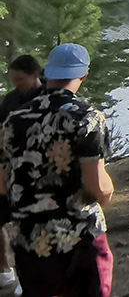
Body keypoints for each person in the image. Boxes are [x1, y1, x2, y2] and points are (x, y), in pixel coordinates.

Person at [0, 44, 114, 297]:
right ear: (83, 75)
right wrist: (107, 194)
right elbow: (96, 185)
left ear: (46, 73)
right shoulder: (86, 118)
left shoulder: (13, 119)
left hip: (30, 242)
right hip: (79, 238)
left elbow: (2, 185)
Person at [0, 55, 45, 291]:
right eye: (12, 79)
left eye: (20, 79)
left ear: (35, 74)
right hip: (10, 170)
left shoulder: (49, 96)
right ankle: (5, 272)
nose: (16, 83)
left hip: (38, 174)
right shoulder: (10, 100)